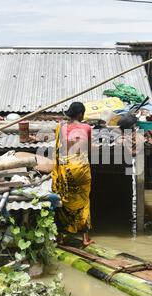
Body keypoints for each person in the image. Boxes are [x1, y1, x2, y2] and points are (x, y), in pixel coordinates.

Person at [52, 102, 94, 247]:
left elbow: (60, 148)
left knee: (63, 200)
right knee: (84, 200)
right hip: (81, 168)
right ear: (81, 114)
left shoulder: (61, 128)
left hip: (66, 169)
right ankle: (85, 239)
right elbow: (88, 149)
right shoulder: (87, 128)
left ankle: (60, 238)